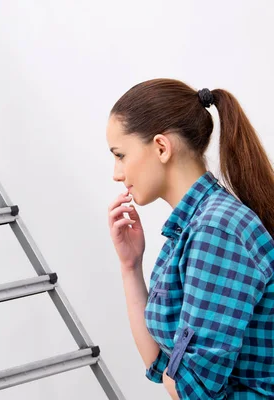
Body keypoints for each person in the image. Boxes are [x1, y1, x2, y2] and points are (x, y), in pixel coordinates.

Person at [106, 79, 274, 399]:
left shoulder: (216, 230)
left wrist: (178, 371)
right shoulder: (192, 227)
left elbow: (192, 390)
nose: (116, 172)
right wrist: (130, 266)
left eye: (121, 155)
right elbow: (159, 362)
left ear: (161, 147)